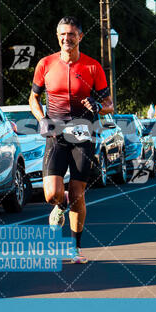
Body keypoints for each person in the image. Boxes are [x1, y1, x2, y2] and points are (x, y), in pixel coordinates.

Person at [29, 16, 114, 264]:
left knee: (78, 194)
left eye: (71, 34)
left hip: (82, 133)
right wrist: (41, 118)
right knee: (51, 194)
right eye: (62, 35)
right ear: (58, 37)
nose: (67, 38)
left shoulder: (92, 67)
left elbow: (109, 105)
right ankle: (60, 203)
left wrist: (98, 105)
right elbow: (33, 98)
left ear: (80, 37)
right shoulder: (45, 64)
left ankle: (75, 248)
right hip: (55, 132)